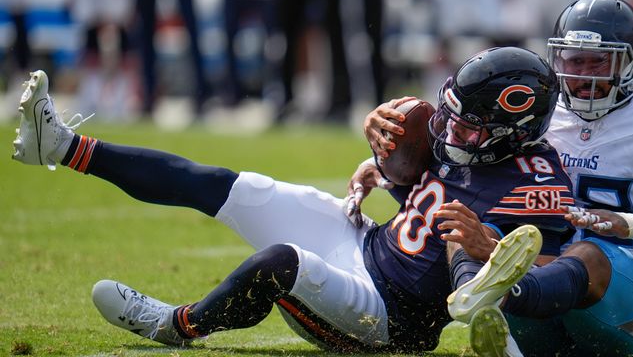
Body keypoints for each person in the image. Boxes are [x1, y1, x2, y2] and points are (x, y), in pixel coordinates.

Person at [11, 46, 577, 352]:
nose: (450, 134)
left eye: (470, 128)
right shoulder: (458, 134)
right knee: (228, 185)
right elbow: (422, 185)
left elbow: (552, 266)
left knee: (281, 262)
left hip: (389, 316)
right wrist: (382, 161)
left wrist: (490, 254)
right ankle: (62, 145)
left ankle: (175, 325)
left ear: (516, 132)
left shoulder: (535, 181)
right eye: (451, 115)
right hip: (364, 240)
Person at [367, 0, 633, 357]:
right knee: (469, 221)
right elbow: (456, 165)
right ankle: (485, 311)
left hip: (615, 304)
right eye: (575, 61)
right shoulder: (535, 110)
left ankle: (500, 292)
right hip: (534, 298)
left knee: (590, 251)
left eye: (598, 63)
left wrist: (628, 224)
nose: (583, 76)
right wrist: (382, 157)